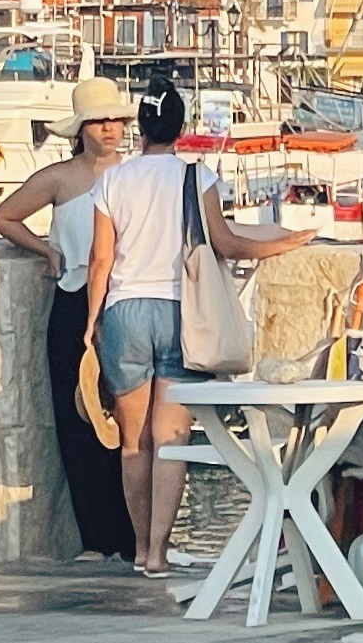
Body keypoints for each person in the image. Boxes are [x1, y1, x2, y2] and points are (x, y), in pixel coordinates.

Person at [83, 83, 321, 581]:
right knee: (170, 441)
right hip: (179, 313)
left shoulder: (114, 181)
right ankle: (157, 554)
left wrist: (92, 321)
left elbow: (101, 258)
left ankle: (137, 545)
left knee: (133, 442)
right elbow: (228, 243)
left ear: (140, 129)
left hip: (125, 310)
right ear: (181, 128)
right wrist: (285, 242)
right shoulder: (198, 177)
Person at [0, 77, 138, 562]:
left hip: (123, 303)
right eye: (99, 121)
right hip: (74, 300)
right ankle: (96, 539)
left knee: (129, 426)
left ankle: (135, 538)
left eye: (115, 119)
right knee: (77, 424)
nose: (109, 129)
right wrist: (45, 251)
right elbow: (5, 216)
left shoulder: (134, 176)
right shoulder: (61, 178)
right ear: (81, 129)